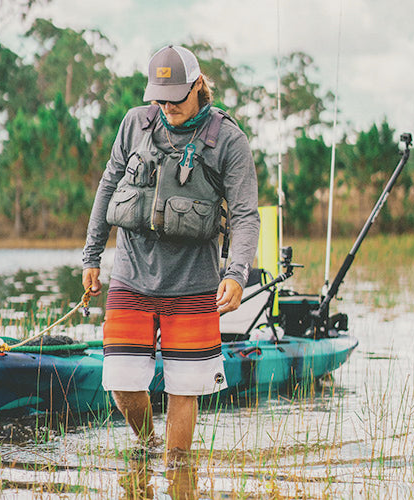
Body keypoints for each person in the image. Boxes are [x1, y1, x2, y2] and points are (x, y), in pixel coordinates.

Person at [82, 44, 260, 465]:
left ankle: (177, 467)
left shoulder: (229, 141)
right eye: (159, 98)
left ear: (198, 86)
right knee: (122, 384)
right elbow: (107, 188)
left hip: (194, 283)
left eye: (175, 97)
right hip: (131, 273)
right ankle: (147, 444)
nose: (166, 106)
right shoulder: (134, 124)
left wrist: (236, 273)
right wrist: (91, 255)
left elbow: (245, 215)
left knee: (185, 389)